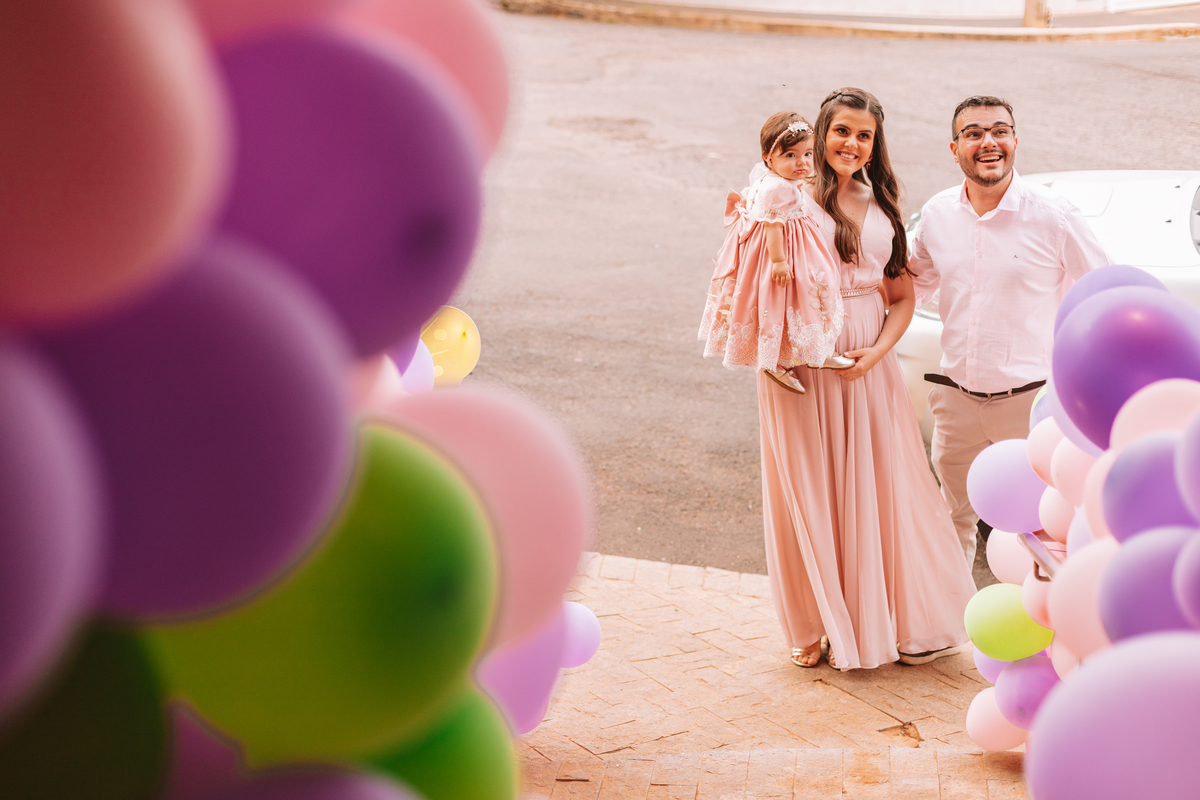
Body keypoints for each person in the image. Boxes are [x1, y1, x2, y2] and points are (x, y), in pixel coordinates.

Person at [759, 88, 976, 670]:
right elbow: (755, 283)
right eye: (841, 131)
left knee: (878, 488)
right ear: (821, 132)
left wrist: (878, 352)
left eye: (864, 135)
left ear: (875, 145)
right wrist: (776, 355)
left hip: (867, 364)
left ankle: (879, 621)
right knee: (808, 490)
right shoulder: (785, 198)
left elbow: (901, 295)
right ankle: (812, 623)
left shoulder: (881, 202)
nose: (851, 144)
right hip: (801, 362)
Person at [908, 95, 1110, 567]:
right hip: (955, 402)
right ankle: (951, 613)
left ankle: (1047, 613)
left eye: (999, 131)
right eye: (973, 133)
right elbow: (910, 286)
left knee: (1043, 528)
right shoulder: (937, 214)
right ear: (954, 148)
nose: (988, 142)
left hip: (1032, 407)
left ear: (1015, 141)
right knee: (951, 521)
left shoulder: (1055, 216)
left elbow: (1101, 293)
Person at [699, 112, 851, 394]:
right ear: (769, 158)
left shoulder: (768, 177)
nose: (802, 162)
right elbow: (772, 227)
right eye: (790, 155)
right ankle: (776, 360)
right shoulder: (781, 188)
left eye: (807, 154)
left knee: (800, 296)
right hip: (784, 249)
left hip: (781, 245)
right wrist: (779, 262)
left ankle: (813, 350)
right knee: (798, 294)